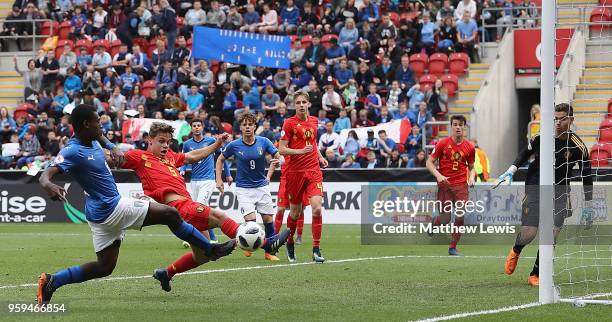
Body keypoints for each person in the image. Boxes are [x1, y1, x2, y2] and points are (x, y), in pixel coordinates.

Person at [36, 104, 236, 304]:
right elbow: (47, 173)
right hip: (111, 207)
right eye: (98, 122)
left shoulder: (93, 138)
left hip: (98, 216)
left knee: (104, 267)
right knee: (170, 214)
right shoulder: (72, 150)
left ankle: (53, 281)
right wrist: (48, 185)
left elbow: (100, 137)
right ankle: (210, 249)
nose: (101, 125)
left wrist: (112, 145)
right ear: (86, 124)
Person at [115, 122, 290, 291]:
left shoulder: (170, 157)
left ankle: (166, 274)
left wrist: (216, 144)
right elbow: (114, 160)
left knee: (202, 256)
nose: (166, 145)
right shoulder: (138, 156)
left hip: (185, 205)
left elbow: (192, 156)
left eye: (168, 142)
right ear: (149, 140)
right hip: (178, 207)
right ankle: (268, 244)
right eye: (161, 141)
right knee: (219, 217)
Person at [500, 103, 592, 287]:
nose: (557, 123)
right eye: (555, 119)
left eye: (562, 119)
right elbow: (524, 154)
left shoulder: (578, 146)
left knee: (552, 235)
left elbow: (586, 175)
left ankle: (536, 274)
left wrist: (588, 205)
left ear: (571, 120)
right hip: (536, 187)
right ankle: (516, 249)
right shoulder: (541, 137)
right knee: (529, 233)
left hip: (560, 192)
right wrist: (511, 170)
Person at [216, 112, 284, 261]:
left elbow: (277, 154)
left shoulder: (264, 141)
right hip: (243, 188)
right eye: (244, 125)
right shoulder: (234, 145)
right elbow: (220, 159)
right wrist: (219, 179)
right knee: (251, 220)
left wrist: (281, 160)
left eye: (250, 124)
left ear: (254, 126)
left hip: (261, 186)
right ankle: (248, 245)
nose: (247, 127)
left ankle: (269, 253)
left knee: (267, 220)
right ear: (240, 127)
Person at [279, 91, 328, 263]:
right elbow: (282, 149)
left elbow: (312, 142)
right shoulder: (288, 123)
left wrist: (319, 156)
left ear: (308, 104)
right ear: (294, 105)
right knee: (295, 212)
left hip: (313, 171)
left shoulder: (314, 121)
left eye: (304, 102)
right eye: (298, 102)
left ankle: (316, 249)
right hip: (294, 173)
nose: (301, 104)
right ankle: (290, 242)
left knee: (316, 208)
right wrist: (300, 151)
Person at [425, 115, 476, 256]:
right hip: (444, 186)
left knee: (460, 214)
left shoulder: (470, 147)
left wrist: (471, 177)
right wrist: (439, 175)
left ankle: (452, 247)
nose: (458, 127)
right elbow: (429, 162)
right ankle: (435, 224)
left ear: (464, 127)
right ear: (451, 126)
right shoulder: (442, 143)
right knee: (445, 219)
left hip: (461, 186)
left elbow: (472, 167)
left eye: (460, 125)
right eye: (455, 124)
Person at [180, 119, 232, 244]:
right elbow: (183, 159)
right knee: (201, 209)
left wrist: (228, 175)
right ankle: (212, 237)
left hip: (208, 180)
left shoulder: (211, 141)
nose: (197, 127)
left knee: (198, 208)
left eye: (199, 125)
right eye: (194, 126)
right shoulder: (187, 144)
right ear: (191, 128)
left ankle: (195, 237)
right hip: (194, 181)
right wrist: (182, 170)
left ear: (202, 127)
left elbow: (222, 157)